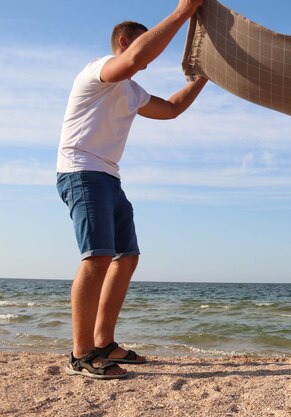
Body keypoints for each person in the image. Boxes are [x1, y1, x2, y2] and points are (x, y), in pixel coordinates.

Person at [56, 0, 208, 379]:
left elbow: (171, 109)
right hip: (81, 171)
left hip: (109, 176)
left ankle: (104, 342)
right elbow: (136, 57)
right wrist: (182, 13)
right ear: (124, 43)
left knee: (127, 256)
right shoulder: (98, 71)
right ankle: (81, 353)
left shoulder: (131, 90)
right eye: (143, 48)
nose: (150, 59)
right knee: (97, 257)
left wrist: (202, 78)